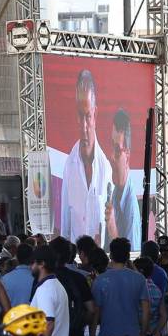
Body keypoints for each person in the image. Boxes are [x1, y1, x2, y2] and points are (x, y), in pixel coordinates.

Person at [60, 70, 111, 243]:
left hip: (99, 261)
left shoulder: (105, 168)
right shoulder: (69, 164)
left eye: (88, 116)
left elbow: (110, 223)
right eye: (80, 116)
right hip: (75, 260)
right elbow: (66, 218)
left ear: (95, 114)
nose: (83, 125)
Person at [102, 109, 141, 250]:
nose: (111, 156)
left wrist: (112, 228)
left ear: (128, 157)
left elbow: (131, 260)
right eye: (111, 147)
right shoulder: (113, 191)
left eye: (117, 150)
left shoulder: (130, 206)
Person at [31, 246, 72, 336]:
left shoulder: (45, 289)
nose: (30, 267)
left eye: (33, 263)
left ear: (42, 264)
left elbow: (48, 323)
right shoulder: (56, 285)